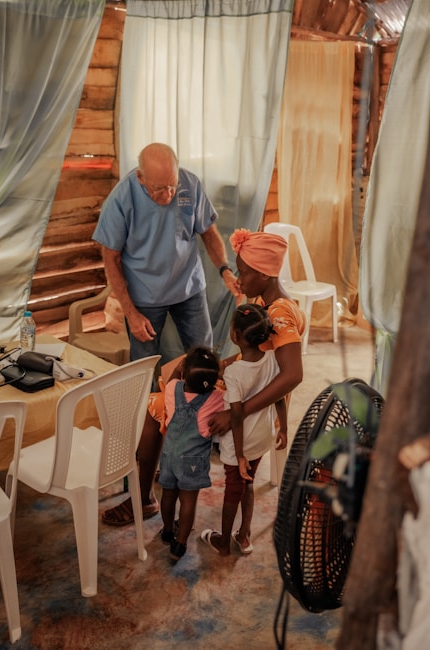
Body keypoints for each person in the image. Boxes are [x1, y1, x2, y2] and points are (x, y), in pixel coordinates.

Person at [93, 142, 237, 522]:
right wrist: (129, 311)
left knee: (208, 362)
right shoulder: (123, 196)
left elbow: (208, 232)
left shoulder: (189, 184)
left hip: (188, 288)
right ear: (141, 178)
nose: (168, 195)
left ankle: (209, 436)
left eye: (172, 185)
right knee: (148, 383)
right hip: (144, 298)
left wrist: (224, 269)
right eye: (159, 188)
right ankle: (145, 481)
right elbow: (110, 257)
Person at [200, 304, 288, 556]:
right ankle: (244, 536)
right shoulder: (273, 359)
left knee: (233, 488)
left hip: (241, 442)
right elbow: (280, 395)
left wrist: (238, 455)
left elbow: (236, 416)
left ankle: (224, 541)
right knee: (247, 485)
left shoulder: (233, 371)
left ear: (235, 336)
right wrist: (284, 427)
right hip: (263, 436)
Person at [207, 227, 305, 439]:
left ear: (264, 274)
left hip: (258, 404)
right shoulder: (267, 302)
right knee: (180, 370)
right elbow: (260, 353)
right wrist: (221, 366)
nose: (238, 280)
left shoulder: (278, 314)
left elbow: (293, 375)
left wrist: (236, 413)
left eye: (242, 272)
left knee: (168, 403)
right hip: (251, 385)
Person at [158, 346, 224, 561]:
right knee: (188, 501)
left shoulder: (172, 388)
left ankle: (168, 530)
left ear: (184, 373)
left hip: (168, 455)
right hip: (193, 461)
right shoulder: (217, 397)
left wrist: (180, 368)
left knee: (168, 494)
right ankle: (180, 544)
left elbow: (174, 377)